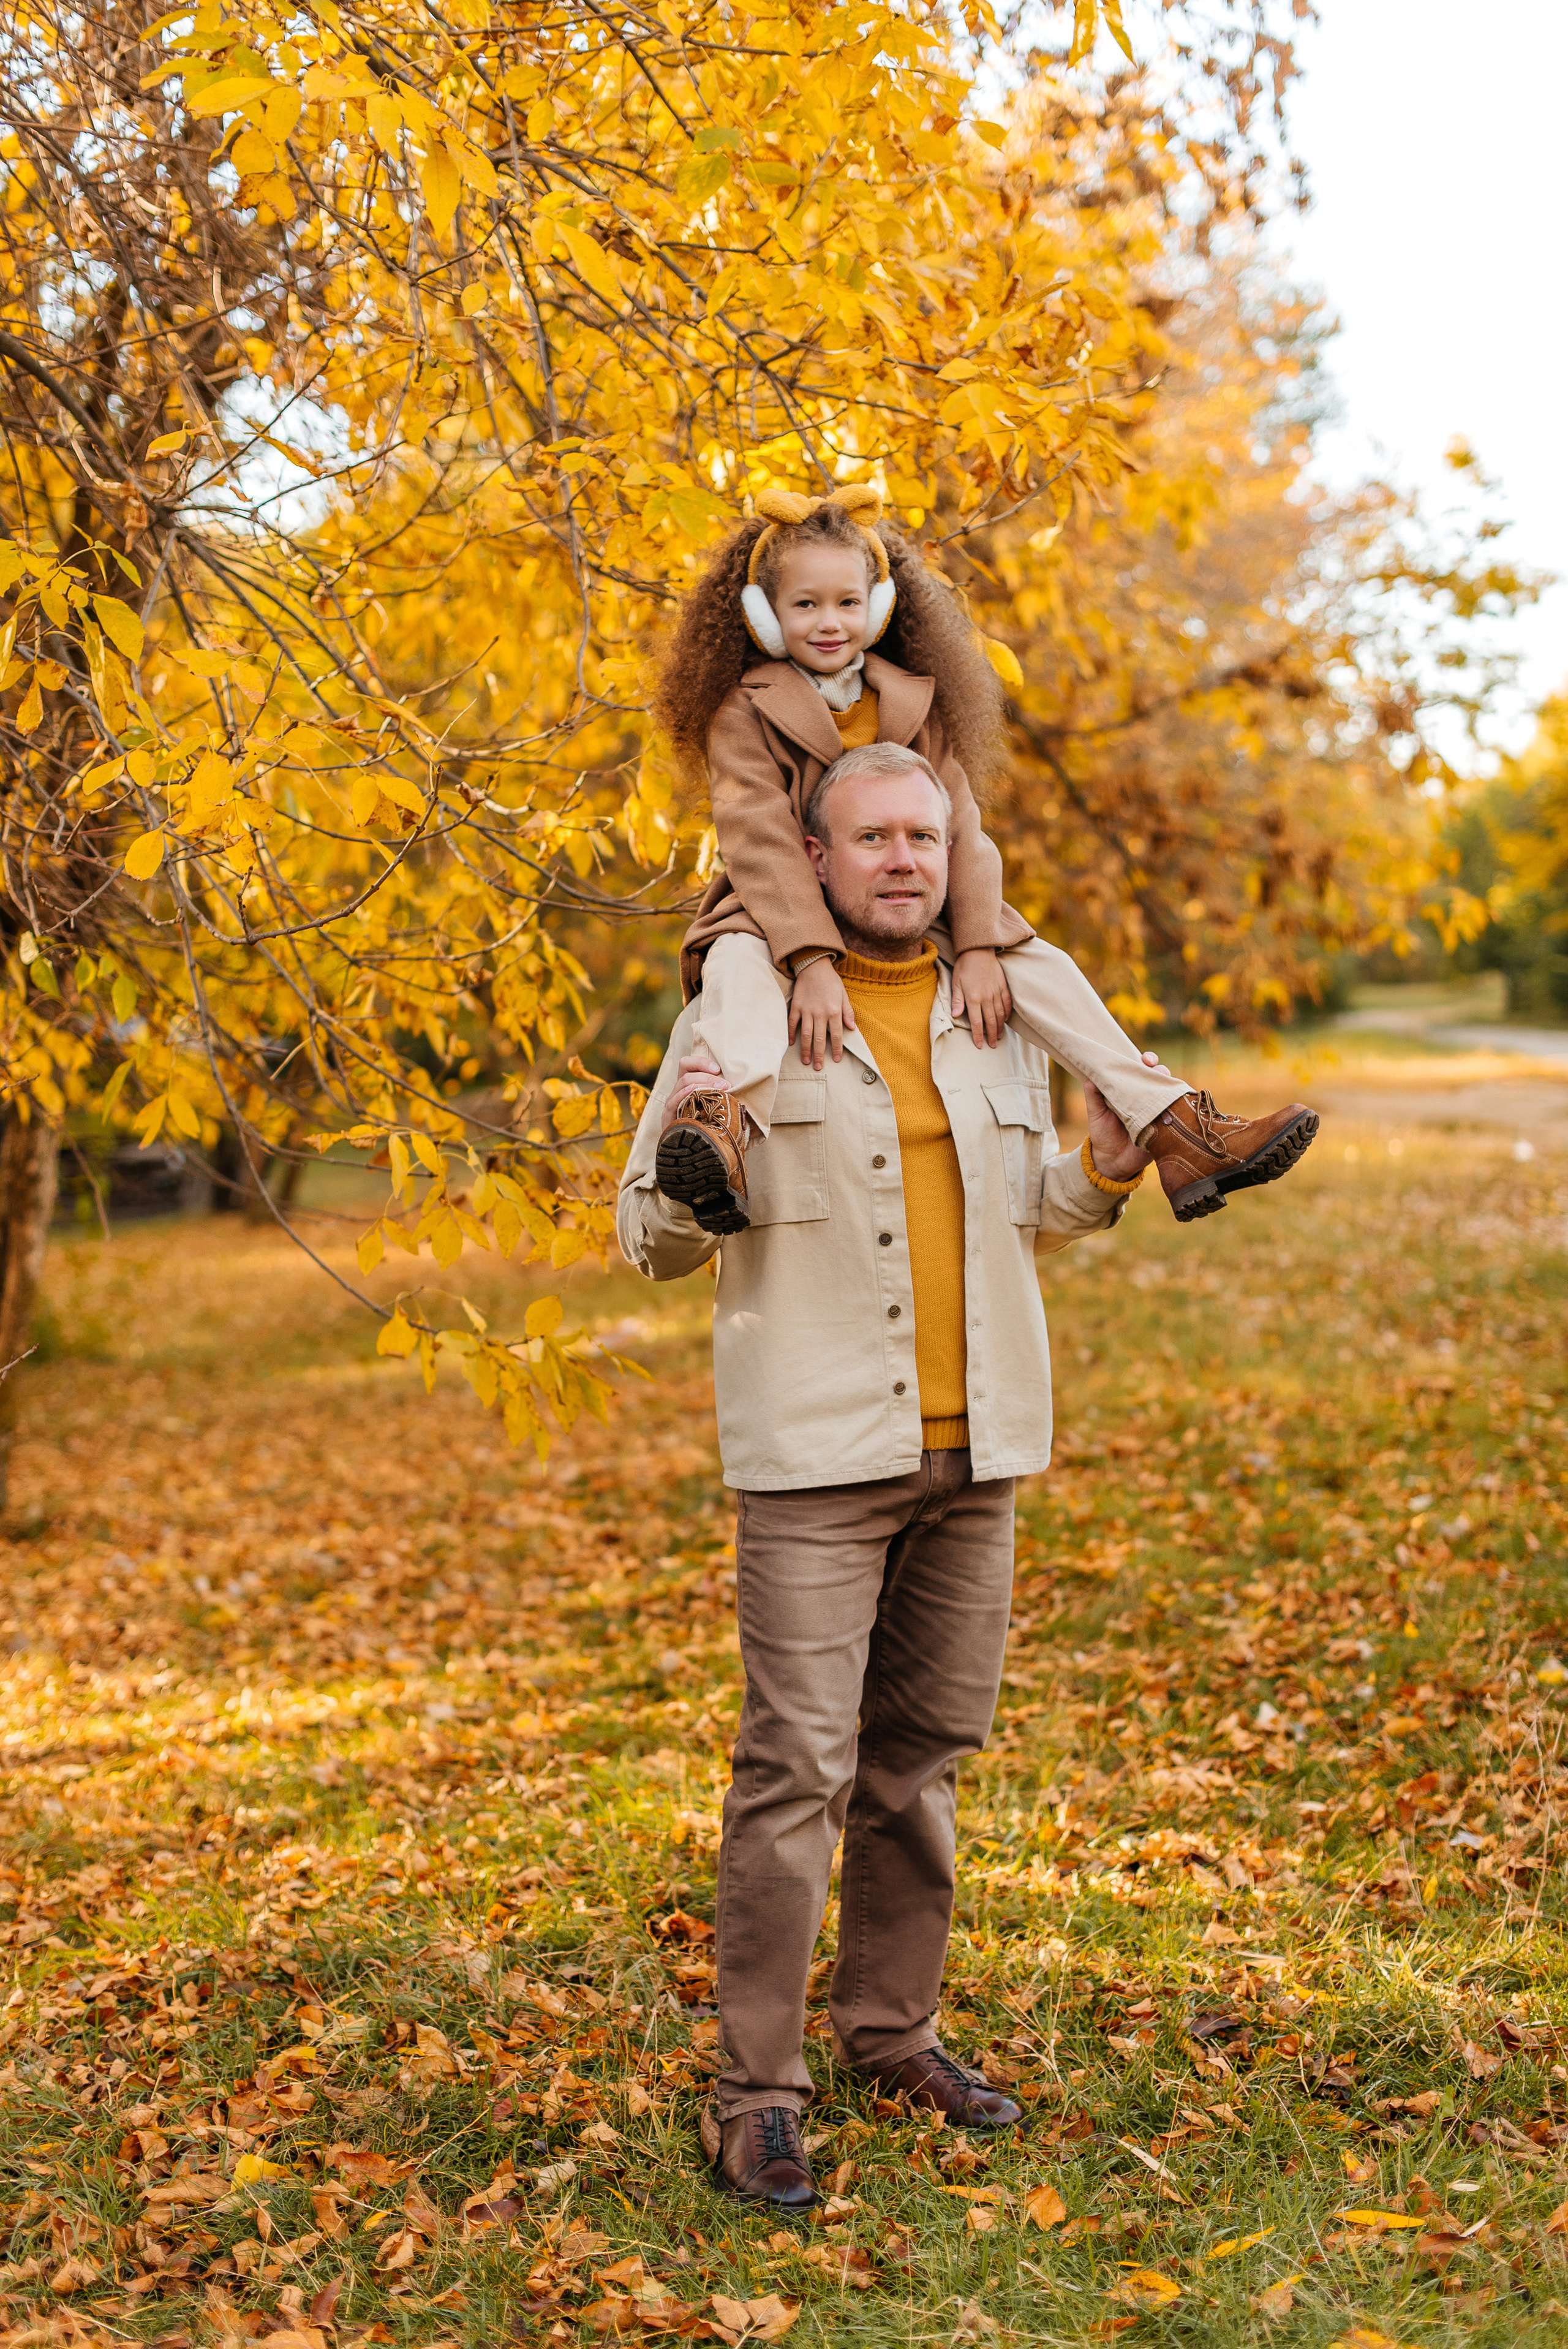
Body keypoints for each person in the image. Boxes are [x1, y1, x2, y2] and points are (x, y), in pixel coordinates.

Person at [617, 743, 1162, 2212]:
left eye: (924, 834)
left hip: (974, 1448)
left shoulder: (995, 1007)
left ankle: (892, 2033)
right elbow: (643, 1234)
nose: (904, 860)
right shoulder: (741, 1009)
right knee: (795, 1769)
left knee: (915, 1764)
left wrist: (1100, 1172)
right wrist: (684, 1169)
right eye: (871, 838)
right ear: (809, 851)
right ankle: (757, 2094)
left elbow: (1025, 1204)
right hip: (813, 1458)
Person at [650, 481, 1317, 1238]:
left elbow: (960, 828)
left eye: (846, 603)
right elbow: (757, 835)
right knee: (736, 966)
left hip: (904, 900)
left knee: (1039, 963)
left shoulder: (914, 701)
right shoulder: (746, 708)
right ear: (763, 617)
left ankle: (1175, 1127)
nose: (828, 623)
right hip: (780, 909)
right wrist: (807, 960)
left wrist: (974, 947)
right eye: (804, 605)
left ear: (877, 606)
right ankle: (718, 1133)